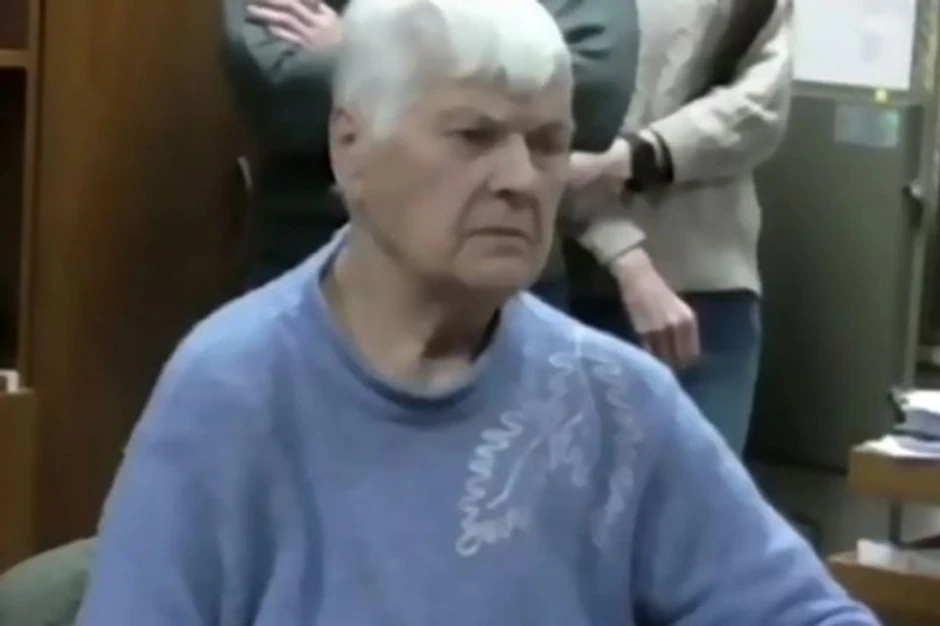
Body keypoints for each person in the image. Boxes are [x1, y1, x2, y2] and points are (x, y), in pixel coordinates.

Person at [77, 1, 878, 624]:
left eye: (548, 144)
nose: (520, 180)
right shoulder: (230, 392)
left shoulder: (615, 402)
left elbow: (803, 612)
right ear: (351, 148)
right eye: (473, 136)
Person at [223, 0, 638, 289]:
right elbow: (281, 92)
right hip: (312, 257)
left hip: (509, 272)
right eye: (471, 132)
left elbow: (596, 91)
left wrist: (364, 50)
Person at [564, 0, 793, 454]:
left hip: (708, 290)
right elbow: (541, 140)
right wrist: (626, 258)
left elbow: (762, 106)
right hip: (574, 291)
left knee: (706, 493)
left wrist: (638, 157)